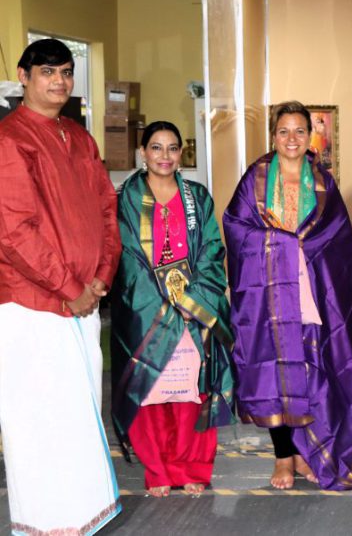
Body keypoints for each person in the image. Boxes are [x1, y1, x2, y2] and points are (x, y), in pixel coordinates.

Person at [224, 101, 352, 490]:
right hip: (269, 295)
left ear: (310, 136)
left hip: (312, 293)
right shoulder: (256, 179)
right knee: (275, 374)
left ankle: (309, 452)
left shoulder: (323, 184)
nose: (291, 139)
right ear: (272, 136)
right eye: (283, 131)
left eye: (299, 131)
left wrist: (306, 251)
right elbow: (236, 226)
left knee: (311, 368)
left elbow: (338, 238)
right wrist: (280, 244)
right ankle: (283, 457)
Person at [0, 38, 121, 533]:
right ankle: (46, 524)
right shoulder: (11, 139)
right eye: (48, 71)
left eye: (67, 72)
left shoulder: (79, 136)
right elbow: (14, 232)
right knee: (40, 419)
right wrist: (69, 287)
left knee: (79, 413)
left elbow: (107, 210)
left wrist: (101, 274)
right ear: (24, 76)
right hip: (32, 306)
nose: (59, 81)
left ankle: (80, 517)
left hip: (84, 301)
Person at [110, 121, 235, 497]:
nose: (164, 156)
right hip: (147, 310)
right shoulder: (126, 199)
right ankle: (159, 470)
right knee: (151, 389)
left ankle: (193, 467)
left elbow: (212, 249)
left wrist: (193, 300)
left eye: (172, 148)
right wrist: (160, 302)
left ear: (182, 154)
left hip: (193, 311)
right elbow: (126, 256)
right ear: (142, 153)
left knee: (191, 391)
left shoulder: (198, 197)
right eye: (156, 147)